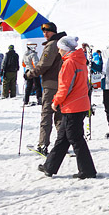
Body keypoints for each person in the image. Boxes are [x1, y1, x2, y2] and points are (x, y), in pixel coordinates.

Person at [38, 36, 96, 179]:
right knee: (63, 137)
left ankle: (87, 170)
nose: (58, 51)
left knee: (75, 139)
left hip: (72, 106)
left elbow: (65, 87)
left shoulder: (69, 63)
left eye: (60, 48)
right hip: (80, 104)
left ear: (65, 48)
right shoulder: (79, 61)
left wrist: (55, 101)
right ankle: (49, 166)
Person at [27, 22, 66, 155]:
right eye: (44, 32)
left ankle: (43, 144)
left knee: (47, 114)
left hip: (51, 84)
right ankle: (62, 144)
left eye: (48, 31)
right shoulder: (62, 44)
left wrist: (29, 74)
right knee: (60, 115)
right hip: (62, 84)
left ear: (54, 32)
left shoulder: (52, 45)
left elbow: (43, 65)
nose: (45, 34)